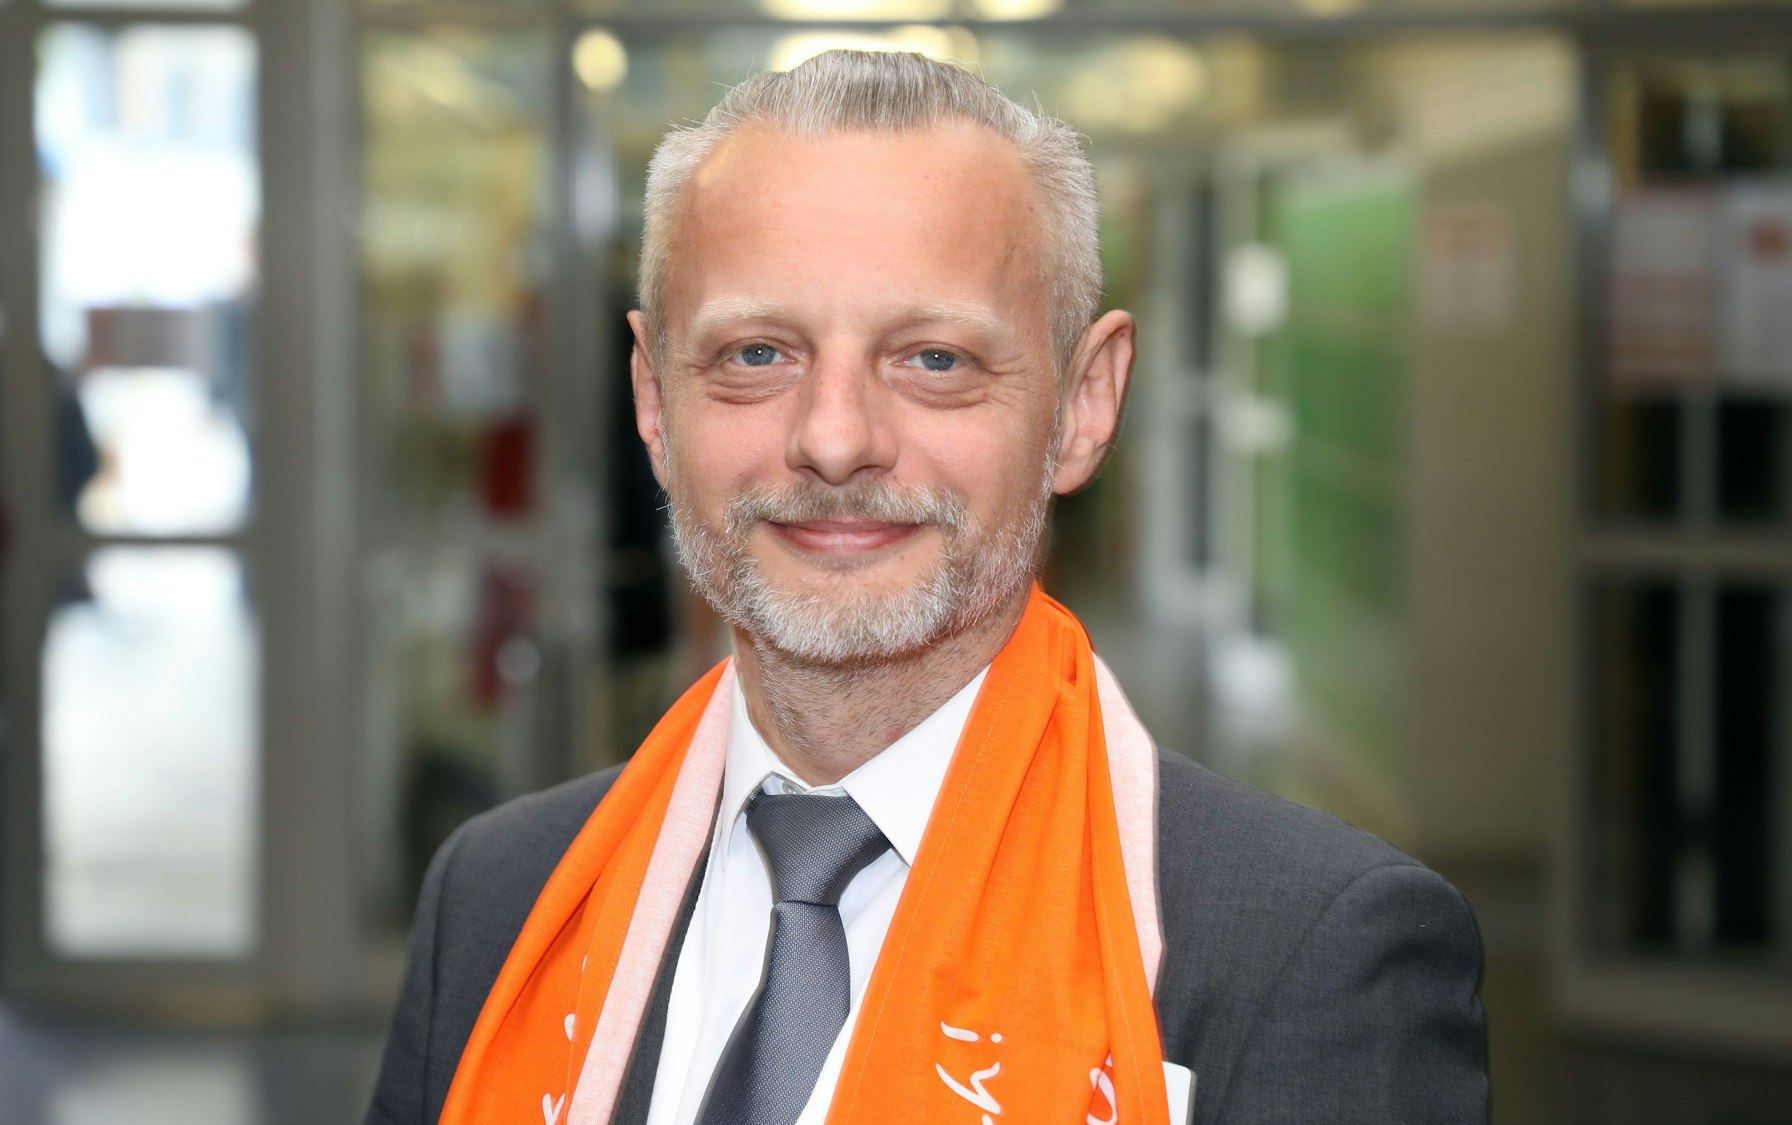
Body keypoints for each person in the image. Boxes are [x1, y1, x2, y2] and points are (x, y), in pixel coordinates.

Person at [366, 51, 1486, 1125]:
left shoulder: (1306, 956)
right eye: (756, 354)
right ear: (656, 407)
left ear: (1082, 407)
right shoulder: (502, 897)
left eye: (934, 359)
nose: (836, 440)